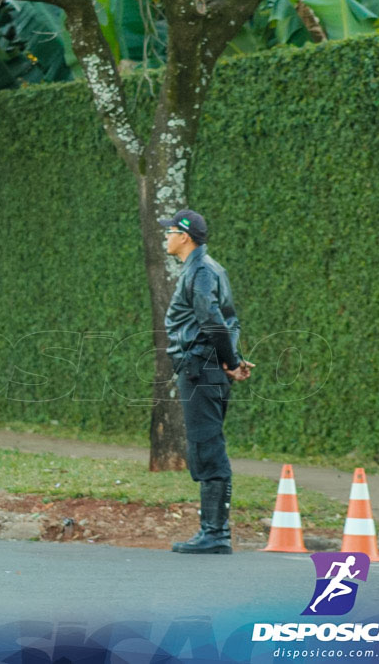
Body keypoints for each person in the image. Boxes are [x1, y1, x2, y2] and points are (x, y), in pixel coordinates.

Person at [159, 209, 254, 555]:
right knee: (208, 442)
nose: (165, 237)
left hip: (200, 367)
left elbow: (212, 319)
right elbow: (231, 320)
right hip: (209, 366)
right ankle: (213, 531)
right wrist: (233, 361)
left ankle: (215, 533)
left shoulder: (199, 270)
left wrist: (228, 361)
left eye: (169, 232)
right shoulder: (213, 268)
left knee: (206, 446)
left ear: (185, 236)